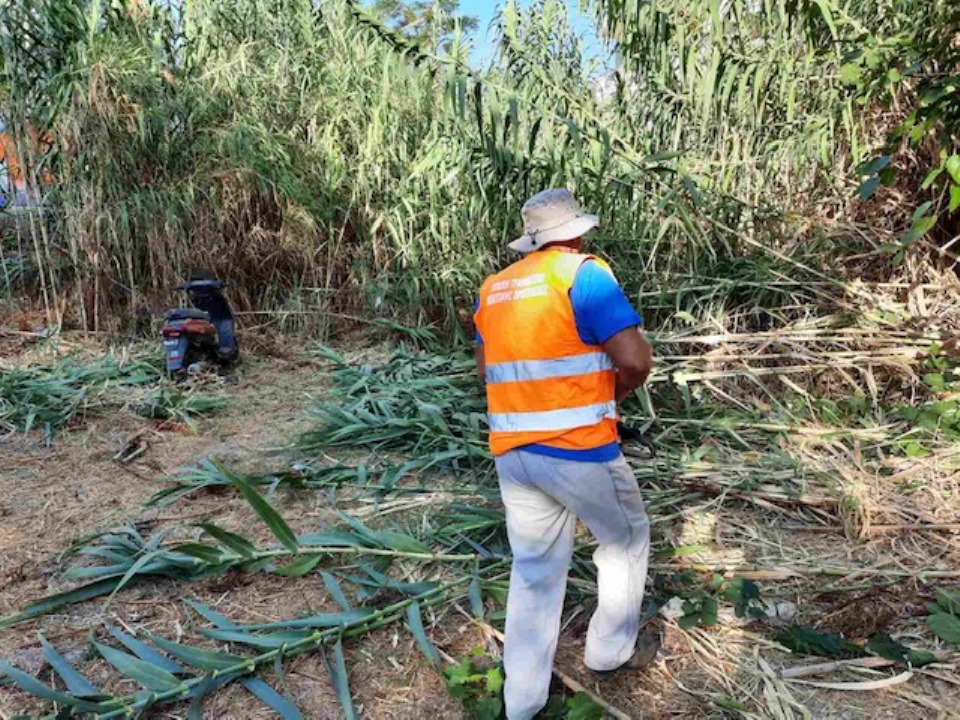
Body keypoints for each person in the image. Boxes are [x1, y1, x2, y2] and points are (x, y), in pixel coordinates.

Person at [473, 188, 656, 720]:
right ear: (575, 232)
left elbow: (488, 370)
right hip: (579, 448)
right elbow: (635, 359)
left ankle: (522, 700)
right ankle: (608, 651)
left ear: (532, 239)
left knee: (534, 568)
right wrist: (612, 395)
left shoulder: (496, 287)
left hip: (513, 452)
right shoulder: (583, 274)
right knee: (624, 540)